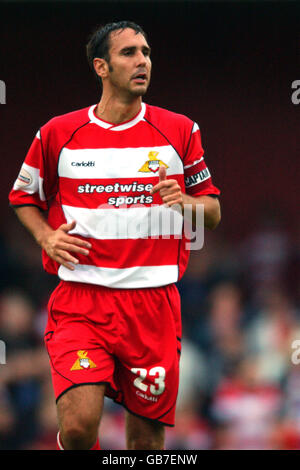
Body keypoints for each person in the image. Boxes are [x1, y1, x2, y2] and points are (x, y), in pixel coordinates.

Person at [8, 21, 221, 450]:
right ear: (101, 67)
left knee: (145, 439)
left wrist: (184, 202)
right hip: (82, 300)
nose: (143, 61)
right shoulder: (58, 134)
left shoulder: (179, 130)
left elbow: (212, 212)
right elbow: (22, 196)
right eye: (129, 53)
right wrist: (46, 237)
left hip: (154, 305)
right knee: (80, 426)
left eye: (146, 52)